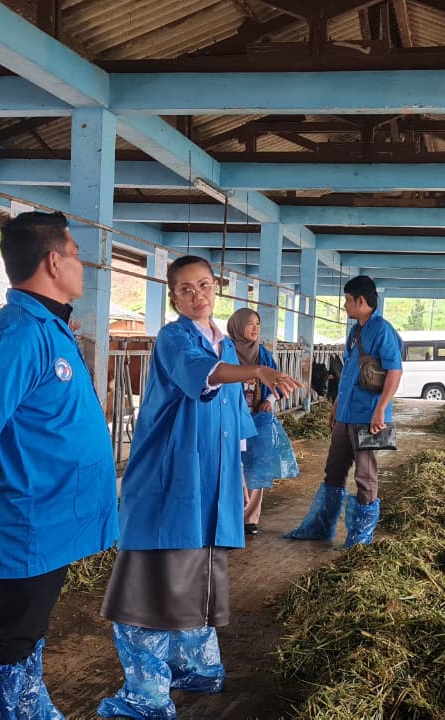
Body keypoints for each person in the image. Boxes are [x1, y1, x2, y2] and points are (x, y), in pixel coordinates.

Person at [97, 255, 300, 719]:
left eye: (204, 285)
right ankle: (148, 691)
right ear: (173, 297)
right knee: (150, 581)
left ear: (216, 288)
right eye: (185, 289)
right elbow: (203, 376)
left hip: (209, 484)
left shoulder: (224, 344)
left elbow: (234, 422)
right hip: (170, 482)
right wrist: (256, 372)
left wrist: (243, 477)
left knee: (200, 572)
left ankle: (196, 669)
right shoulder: (174, 338)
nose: (197, 295)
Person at [0, 211, 117, 719]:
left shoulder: (50, 327)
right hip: (29, 518)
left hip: (50, 514)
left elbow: (22, 423)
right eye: (78, 256)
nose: (84, 267)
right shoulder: (18, 333)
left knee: (25, 633)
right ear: (54, 261)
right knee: (8, 641)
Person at [284, 275, 402, 548]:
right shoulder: (355, 331)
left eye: (348, 300)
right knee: (333, 470)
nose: (345, 306)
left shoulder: (383, 330)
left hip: (369, 417)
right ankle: (320, 526)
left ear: (362, 301)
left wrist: (381, 410)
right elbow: (349, 372)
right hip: (347, 414)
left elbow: (395, 371)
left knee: (365, 475)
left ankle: (360, 539)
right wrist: (336, 406)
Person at [227, 308, 300, 535]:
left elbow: (276, 382)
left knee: (256, 463)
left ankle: (250, 518)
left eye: (257, 323)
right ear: (238, 326)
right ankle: (230, 516)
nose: (255, 328)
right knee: (230, 465)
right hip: (230, 420)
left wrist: (269, 399)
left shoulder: (264, 355)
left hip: (257, 418)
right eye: (250, 324)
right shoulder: (226, 352)